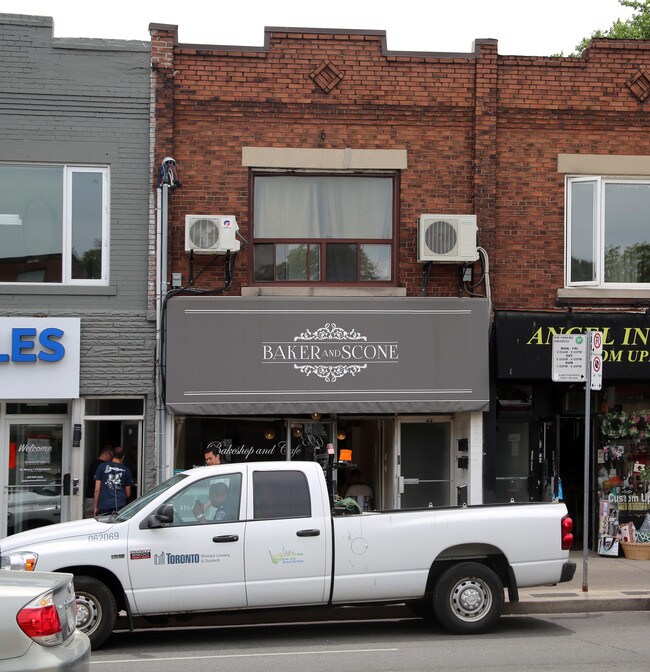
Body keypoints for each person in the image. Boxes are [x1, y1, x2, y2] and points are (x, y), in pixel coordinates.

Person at [93, 446, 133, 517]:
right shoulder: (127, 470)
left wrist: (96, 506)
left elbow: (96, 489)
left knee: (103, 523)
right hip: (119, 505)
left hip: (104, 505)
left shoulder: (102, 467)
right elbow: (128, 493)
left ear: (112, 455)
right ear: (123, 457)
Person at [84, 446, 112, 517]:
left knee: (88, 519)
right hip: (98, 498)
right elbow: (98, 487)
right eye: (111, 456)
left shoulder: (93, 463)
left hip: (89, 495)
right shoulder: (104, 466)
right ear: (107, 454)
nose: (111, 459)